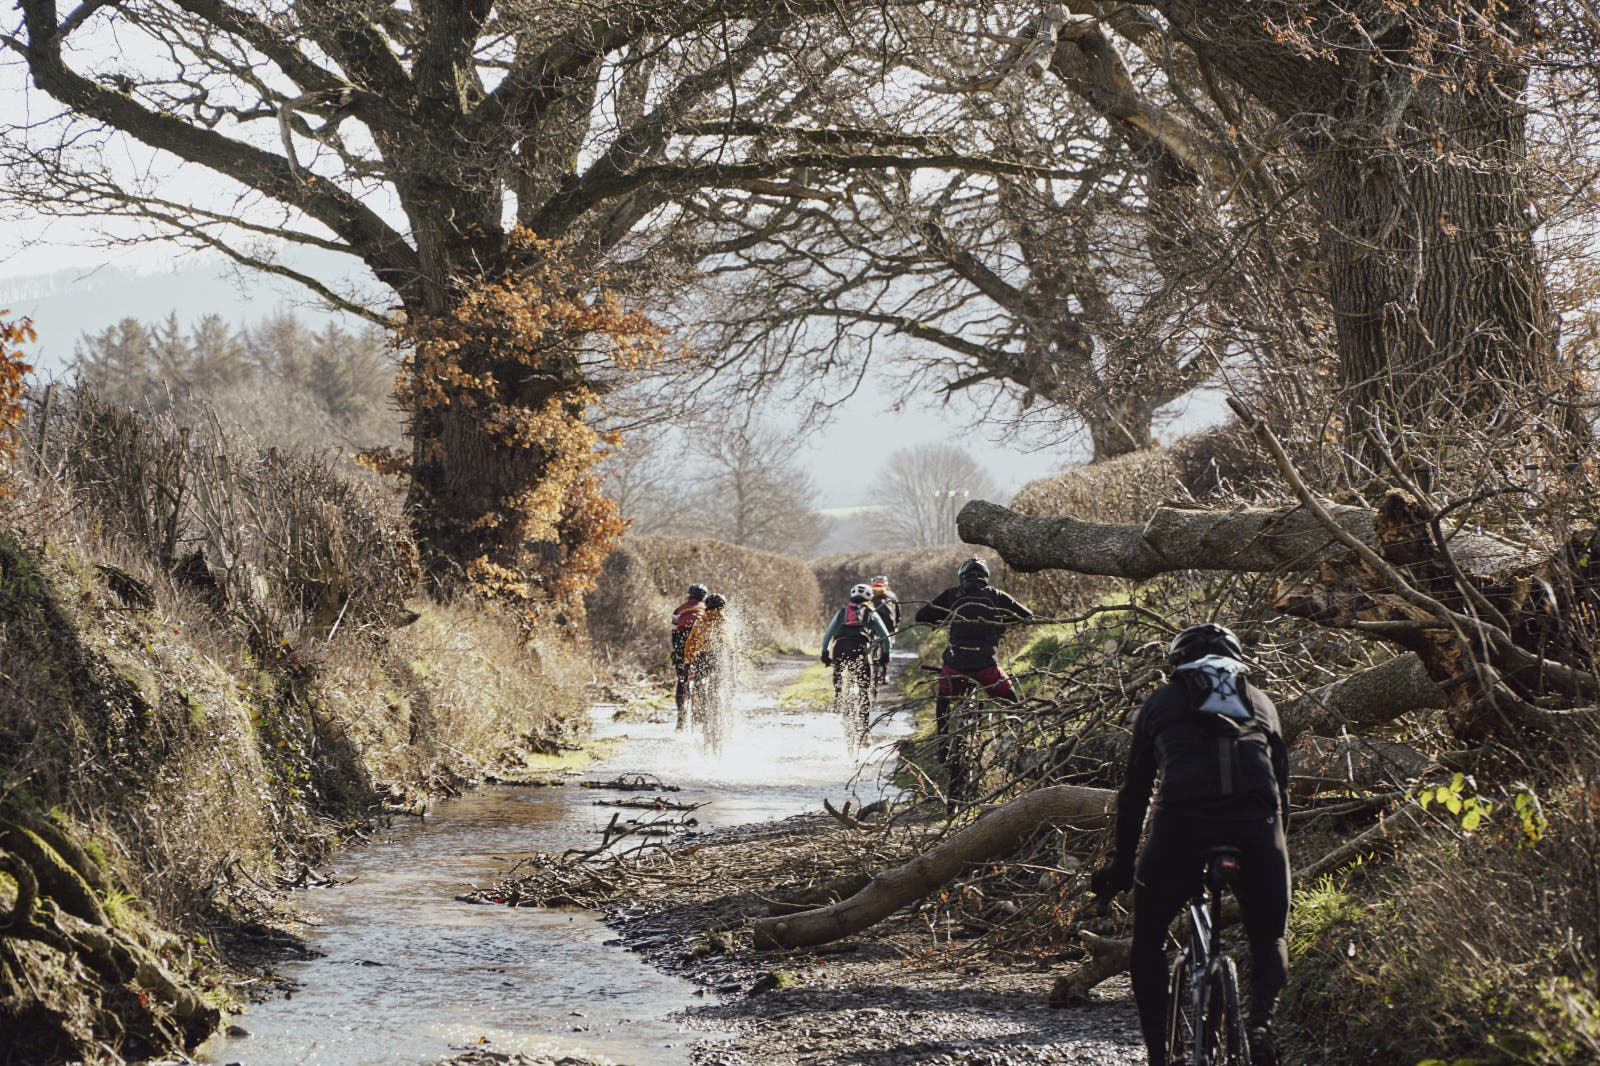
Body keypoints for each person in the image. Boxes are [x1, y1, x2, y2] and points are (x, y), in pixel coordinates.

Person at [1089, 623, 1291, 1066]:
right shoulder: (1262, 703)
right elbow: (1282, 788)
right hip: (1258, 827)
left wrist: (1121, 867)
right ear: (1239, 664)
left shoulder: (1160, 701)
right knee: (1270, 934)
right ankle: (1260, 1025)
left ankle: (1158, 1053)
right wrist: (1275, 852)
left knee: (1148, 941)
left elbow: (1135, 793)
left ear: (1176, 666)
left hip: (1182, 827)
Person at [913, 556, 1031, 802]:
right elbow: (1027, 616)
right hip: (985, 668)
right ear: (985, 576)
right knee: (1012, 701)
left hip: (955, 666)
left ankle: (942, 744)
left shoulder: (952, 594)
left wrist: (940, 619)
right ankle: (1018, 740)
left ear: (962, 576)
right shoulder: (996, 596)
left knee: (944, 699)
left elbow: (920, 616)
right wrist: (1001, 622)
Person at [820, 583, 893, 732]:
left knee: (839, 673)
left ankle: (839, 697)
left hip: (840, 648)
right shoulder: (870, 612)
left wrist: (825, 653)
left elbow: (828, 634)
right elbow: (886, 638)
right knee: (864, 689)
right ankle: (865, 729)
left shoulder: (841, 612)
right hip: (860, 649)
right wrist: (885, 654)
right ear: (868, 598)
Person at [681, 592, 729, 723]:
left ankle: (702, 709)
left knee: (698, 682)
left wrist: (688, 660)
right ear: (723, 607)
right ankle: (723, 708)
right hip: (722, 657)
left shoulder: (700, 623)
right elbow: (735, 644)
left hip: (704, 657)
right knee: (722, 685)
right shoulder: (727, 623)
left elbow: (690, 643)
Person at [670, 583, 708, 729]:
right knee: (700, 678)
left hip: (681, 641)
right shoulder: (707, 609)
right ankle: (701, 714)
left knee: (682, 679)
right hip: (699, 642)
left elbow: (674, 632)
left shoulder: (680, 609)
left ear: (689, 596)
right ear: (704, 597)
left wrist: (677, 652)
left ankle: (680, 716)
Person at [869, 575, 899, 685]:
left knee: (871, 645)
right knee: (886, 648)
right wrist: (896, 625)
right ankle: (884, 675)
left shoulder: (870, 595)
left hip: (873, 626)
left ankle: (869, 669)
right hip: (888, 627)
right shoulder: (892, 596)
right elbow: (897, 613)